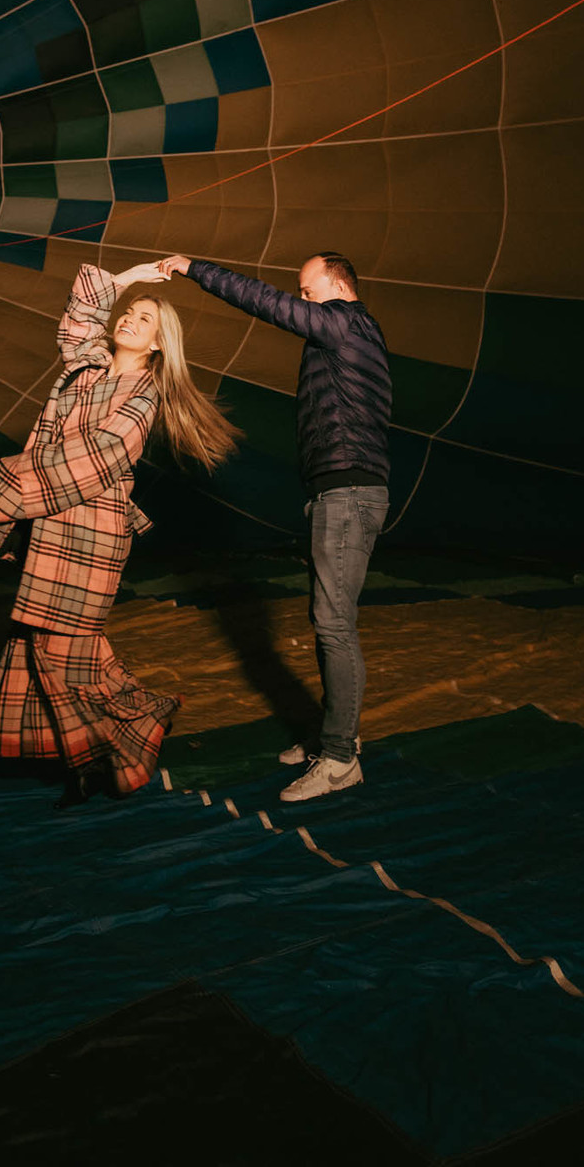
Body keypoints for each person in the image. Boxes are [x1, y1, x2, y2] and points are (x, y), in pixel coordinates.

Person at [0, 259, 238, 805]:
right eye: (128, 313)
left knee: (62, 648)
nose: (128, 320)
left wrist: (15, 478)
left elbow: (100, 456)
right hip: (51, 519)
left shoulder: (144, 397)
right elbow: (77, 324)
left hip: (92, 532)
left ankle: (114, 747)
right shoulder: (87, 369)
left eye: (144, 320)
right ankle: (100, 746)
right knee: (48, 643)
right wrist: (123, 281)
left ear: (157, 347)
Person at [158, 251, 390, 803]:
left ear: (336, 286)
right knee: (327, 621)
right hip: (338, 488)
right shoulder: (345, 335)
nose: (302, 301)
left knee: (335, 625)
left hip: (349, 490)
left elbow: (266, 303)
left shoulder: (345, 321)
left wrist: (194, 268)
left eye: (308, 291)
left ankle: (339, 759)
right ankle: (330, 735)